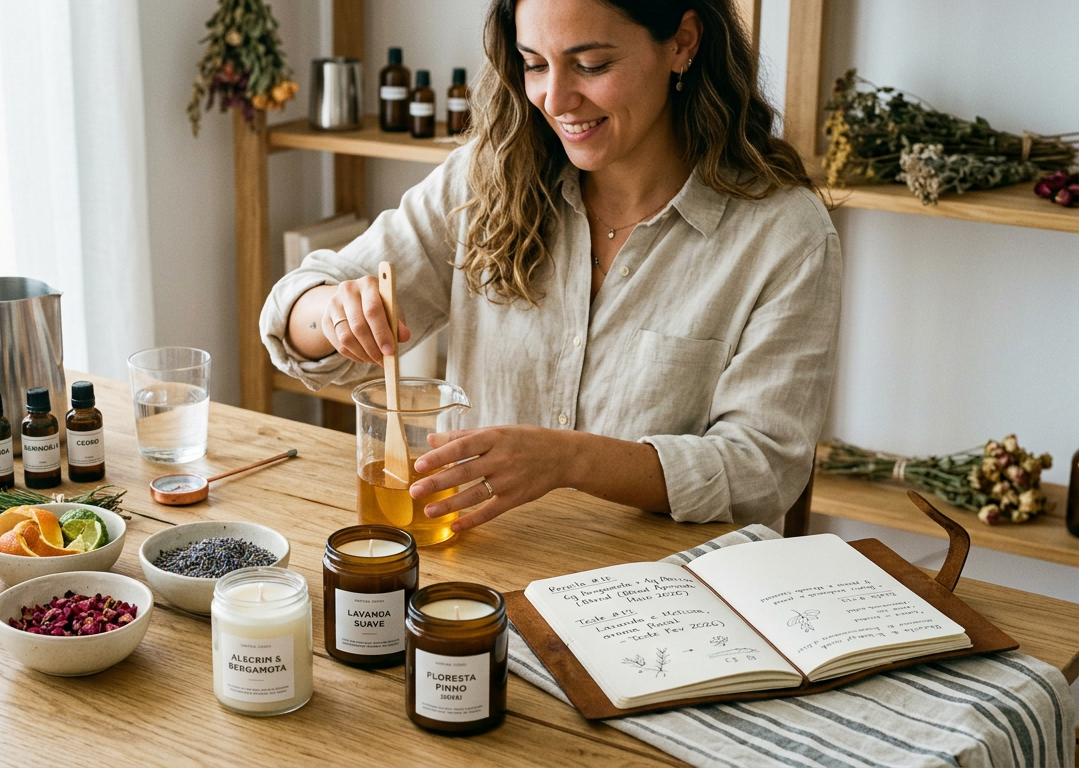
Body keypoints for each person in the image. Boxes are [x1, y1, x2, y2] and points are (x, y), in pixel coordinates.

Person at [260, 0, 841, 534]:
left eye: (590, 64)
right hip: (483, 565)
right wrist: (332, 313)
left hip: (664, 603)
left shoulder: (784, 233)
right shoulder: (483, 181)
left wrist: (571, 460)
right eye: (534, 64)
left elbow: (763, 467)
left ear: (683, 43)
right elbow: (296, 312)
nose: (555, 100)